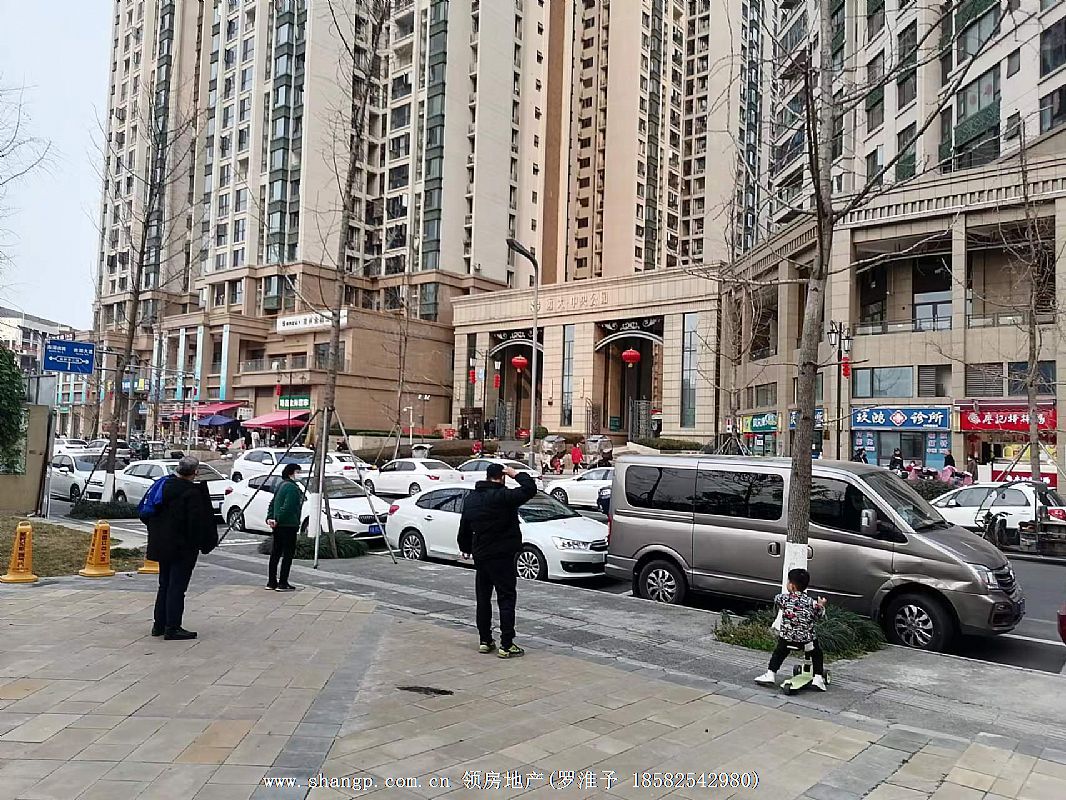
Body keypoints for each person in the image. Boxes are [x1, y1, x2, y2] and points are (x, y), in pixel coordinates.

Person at [457, 464, 537, 659]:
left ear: (487, 476)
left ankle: (485, 640)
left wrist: (465, 547)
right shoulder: (503, 496)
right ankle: (506, 644)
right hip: (502, 556)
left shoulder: (472, 498)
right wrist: (515, 474)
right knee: (506, 598)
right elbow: (530, 489)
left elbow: (465, 524)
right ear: (502, 477)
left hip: (481, 555)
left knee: (483, 598)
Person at [145, 456, 218, 640]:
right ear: (195, 472)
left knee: (164, 584)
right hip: (183, 548)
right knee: (177, 587)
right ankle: (173, 627)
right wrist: (204, 543)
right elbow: (196, 524)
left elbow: (147, 515)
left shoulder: (163, 485)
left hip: (162, 545)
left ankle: (159, 625)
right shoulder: (192, 493)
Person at [755, 568, 827, 691]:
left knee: (779, 653)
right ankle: (818, 678)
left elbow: (776, 600)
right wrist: (821, 605)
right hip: (806, 642)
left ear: (792, 586)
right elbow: (818, 615)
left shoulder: (783, 599)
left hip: (786, 639)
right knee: (817, 653)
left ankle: (771, 674)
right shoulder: (811, 603)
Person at [265, 463, 304, 592]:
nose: (299, 475)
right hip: (288, 525)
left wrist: (271, 518)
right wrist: (278, 518)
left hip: (278, 526)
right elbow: (289, 507)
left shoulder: (281, 485)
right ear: (291, 473)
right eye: (298, 472)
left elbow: (272, 503)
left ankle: (271, 582)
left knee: (275, 553)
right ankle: (283, 583)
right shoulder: (292, 488)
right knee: (287, 554)